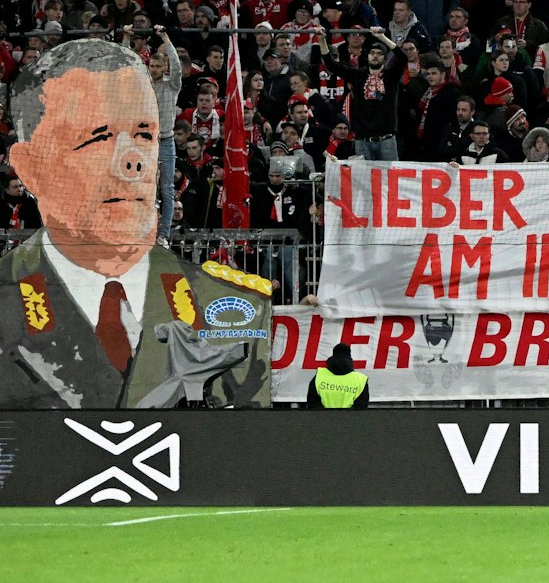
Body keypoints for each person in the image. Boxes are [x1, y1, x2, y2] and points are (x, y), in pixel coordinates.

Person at [0, 40, 272, 408]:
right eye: (98, 137)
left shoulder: (232, 306)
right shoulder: (6, 298)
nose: (133, 161)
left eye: (144, 134)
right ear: (30, 168)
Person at [308, 343, 370, 409]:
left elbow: (312, 403)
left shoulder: (319, 376)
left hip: (322, 418)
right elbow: (361, 408)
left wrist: (326, 416)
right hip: (350, 418)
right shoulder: (360, 380)